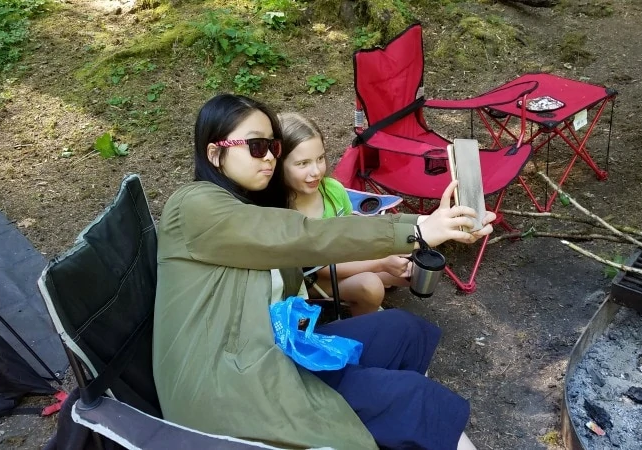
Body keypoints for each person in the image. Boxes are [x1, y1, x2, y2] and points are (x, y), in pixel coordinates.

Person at [153, 93, 493, 449]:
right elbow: (302, 236)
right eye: (255, 146)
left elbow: (300, 260)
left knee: (401, 329)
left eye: (273, 146)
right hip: (233, 389)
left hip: (282, 349)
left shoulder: (248, 208)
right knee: (414, 400)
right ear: (214, 154)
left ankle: (398, 425)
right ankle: (399, 417)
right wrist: (418, 229)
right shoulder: (191, 206)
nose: (269, 156)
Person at [277, 112, 410, 316]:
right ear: (278, 165)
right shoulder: (282, 211)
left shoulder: (332, 190)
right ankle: (362, 330)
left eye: (320, 158)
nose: (316, 171)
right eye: (302, 163)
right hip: (310, 281)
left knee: (408, 271)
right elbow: (320, 268)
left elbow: (350, 234)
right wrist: (381, 263)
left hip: (341, 260)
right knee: (370, 285)